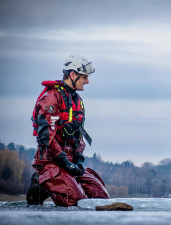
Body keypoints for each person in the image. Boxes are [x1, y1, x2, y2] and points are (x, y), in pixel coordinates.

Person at [26, 54, 109, 207]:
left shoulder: (77, 100)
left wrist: (78, 158)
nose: (87, 81)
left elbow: (79, 134)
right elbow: (47, 137)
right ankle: (41, 181)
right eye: (85, 77)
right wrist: (63, 160)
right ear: (72, 75)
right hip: (50, 162)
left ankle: (61, 181)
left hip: (70, 161)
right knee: (75, 202)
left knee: (101, 198)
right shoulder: (51, 98)